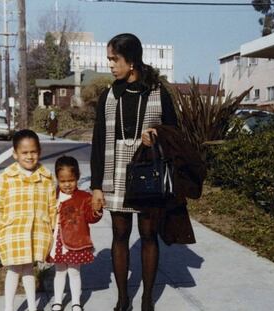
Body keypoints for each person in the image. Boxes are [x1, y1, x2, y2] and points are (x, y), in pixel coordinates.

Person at [90, 33, 178, 311]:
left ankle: (148, 298)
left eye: (114, 59)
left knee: (149, 234)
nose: (111, 65)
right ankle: (122, 298)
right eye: (109, 60)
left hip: (147, 170)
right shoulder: (108, 95)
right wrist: (95, 187)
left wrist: (155, 134)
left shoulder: (157, 92)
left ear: (132, 61)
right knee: (119, 234)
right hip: (114, 170)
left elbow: (175, 132)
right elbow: (98, 141)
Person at [0, 129, 57, 311]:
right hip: (13, 230)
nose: (29, 156)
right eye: (24, 152)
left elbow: (52, 205)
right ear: (15, 154)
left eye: (33, 152)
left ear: (39, 152)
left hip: (37, 230)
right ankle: (8, 307)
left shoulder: (46, 177)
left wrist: (53, 229)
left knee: (29, 268)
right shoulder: (7, 176)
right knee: (13, 269)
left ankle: (32, 306)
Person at [48, 156, 102, 311]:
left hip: (76, 242)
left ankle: (76, 302)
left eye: (71, 180)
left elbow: (91, 218)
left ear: (77, 177)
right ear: (57, 179)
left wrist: (97, 210)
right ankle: (58, 301)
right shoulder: (53, 196)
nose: (67, 185)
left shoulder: (85, 198)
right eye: (63, 181)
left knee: (74, 272)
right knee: (59, 272)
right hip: (57, 241)